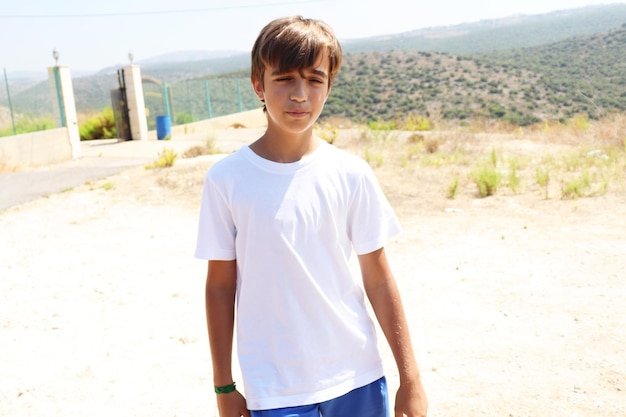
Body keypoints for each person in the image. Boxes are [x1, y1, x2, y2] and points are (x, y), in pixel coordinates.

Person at [195, 15, 428, 417]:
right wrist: (223, 386)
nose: (299, 94)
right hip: (275, 389)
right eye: (284, 78)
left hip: (357, 376)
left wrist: (411, 380)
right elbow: (219, 287)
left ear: (329, 86)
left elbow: (379, 277)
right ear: (258, 84)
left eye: (314, 79)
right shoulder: (226, 179)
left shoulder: (351, 173)